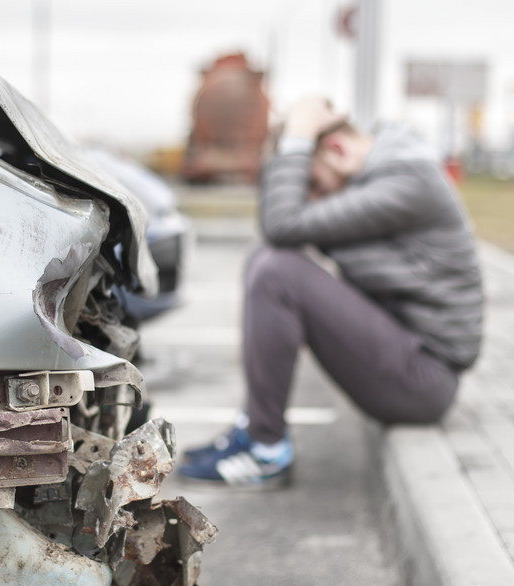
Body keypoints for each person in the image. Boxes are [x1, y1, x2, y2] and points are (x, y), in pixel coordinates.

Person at [178, 97, 484, 488]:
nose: (314, 202)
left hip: (425, 378)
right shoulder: (391, 173)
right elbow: (283, 229)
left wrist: (298, 137)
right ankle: (254, 427)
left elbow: (283, 222)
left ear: (337, 150)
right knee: (268, 257)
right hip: (405, 356)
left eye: (315, 186)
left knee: (277, 270)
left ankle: (265, 450)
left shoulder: (408, 181)